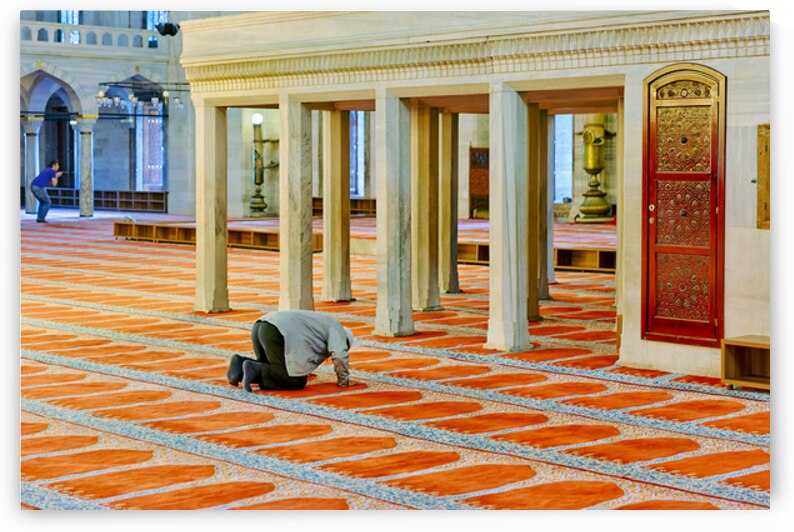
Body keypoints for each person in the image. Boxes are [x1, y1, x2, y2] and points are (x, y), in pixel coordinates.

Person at [227, 310, 354, 392]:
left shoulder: (322, 324)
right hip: (277, 331)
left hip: (262, 324)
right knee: (296, 381)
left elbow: (306, 348)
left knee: (269, 366)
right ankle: (254, 368)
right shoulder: (337, 330)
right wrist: (343, 381)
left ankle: (239, 365)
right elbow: (339, 355)